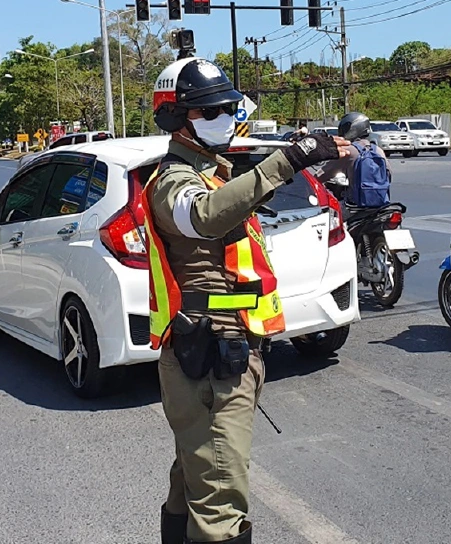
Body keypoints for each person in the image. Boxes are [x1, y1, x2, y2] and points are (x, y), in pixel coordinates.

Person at [143, 55, 352, 544]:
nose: (223, 118)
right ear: (175, 117)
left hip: (231, 347)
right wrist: (288, 159)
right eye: (208, 111)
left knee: (195, 479)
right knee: (220, 503)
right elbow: (203, 217)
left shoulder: (214, 171)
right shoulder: (174, 179)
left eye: (227, 108)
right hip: (210, 353)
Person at [314, 111, 392, 208]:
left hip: (356, 204)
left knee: (331, 214)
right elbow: (388, 173)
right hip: (382, 203)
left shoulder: (348, 150)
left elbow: (324, 174)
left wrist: (312, 180)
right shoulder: (378, 150)